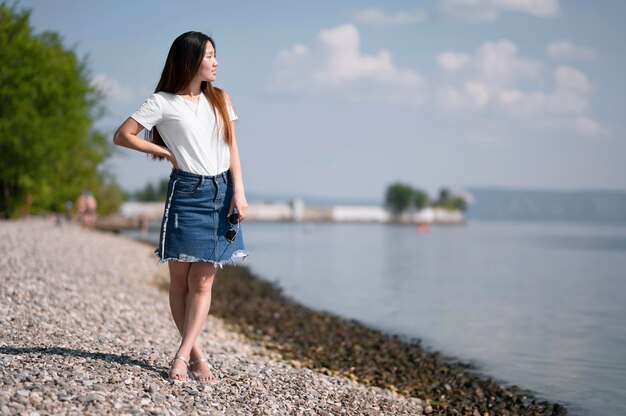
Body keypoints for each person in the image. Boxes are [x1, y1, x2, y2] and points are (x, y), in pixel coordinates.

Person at [113, 31, 249, 384]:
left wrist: (240, 192)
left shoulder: (221, 98)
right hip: (186, 193)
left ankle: (182, 355)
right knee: (180, 282)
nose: (215, 62)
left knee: (202, 283)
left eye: (216, 54)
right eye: (208, 55)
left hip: (222, 194)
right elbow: (122, 134)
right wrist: (164, 151)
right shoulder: (161, 102)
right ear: (190, 60)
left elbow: (232, 148)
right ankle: (197, 355)